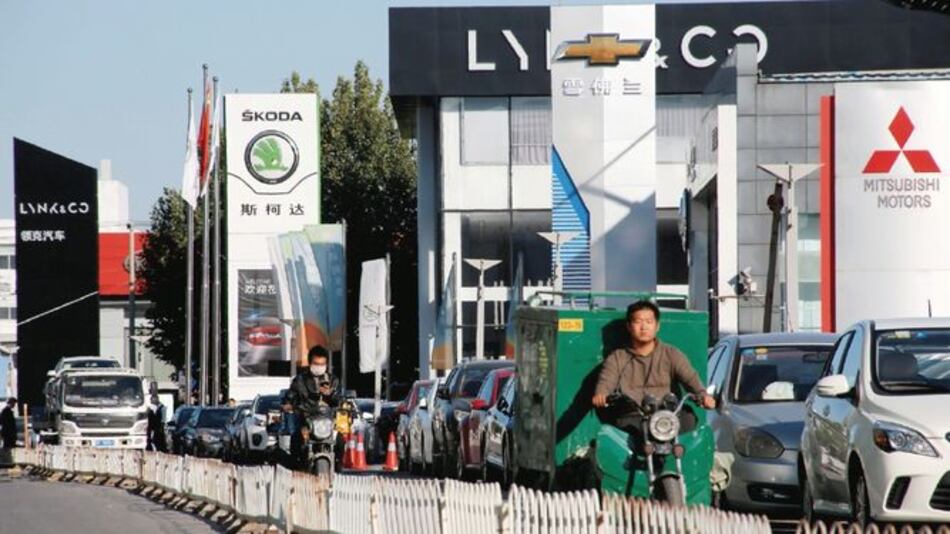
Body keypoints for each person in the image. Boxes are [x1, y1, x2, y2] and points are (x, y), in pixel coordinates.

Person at [592, 301, 715, 412]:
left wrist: (703, 396)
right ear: (629, 327)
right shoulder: (617, 358)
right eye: (638, 322)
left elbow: (690, 378)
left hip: (665, 415)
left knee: (688, 418)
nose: (644, 327)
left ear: (657, 326)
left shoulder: (671, 354)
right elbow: (606, 380)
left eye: (649, 322)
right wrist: (601, 394)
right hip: (631, 415)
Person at [284, 346, 341, 465]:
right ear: (310, 363)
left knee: (341, 440)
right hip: (306, 419)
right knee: (296, 439)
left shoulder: (333, 380)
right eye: (316, 363)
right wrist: (287, 404)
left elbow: (338, 400)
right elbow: (289, 396)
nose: (319, 367)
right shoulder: (299, 380)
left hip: (327, 422)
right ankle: (296, 467)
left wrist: (330, 394)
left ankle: (337, 467)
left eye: (322, 364)